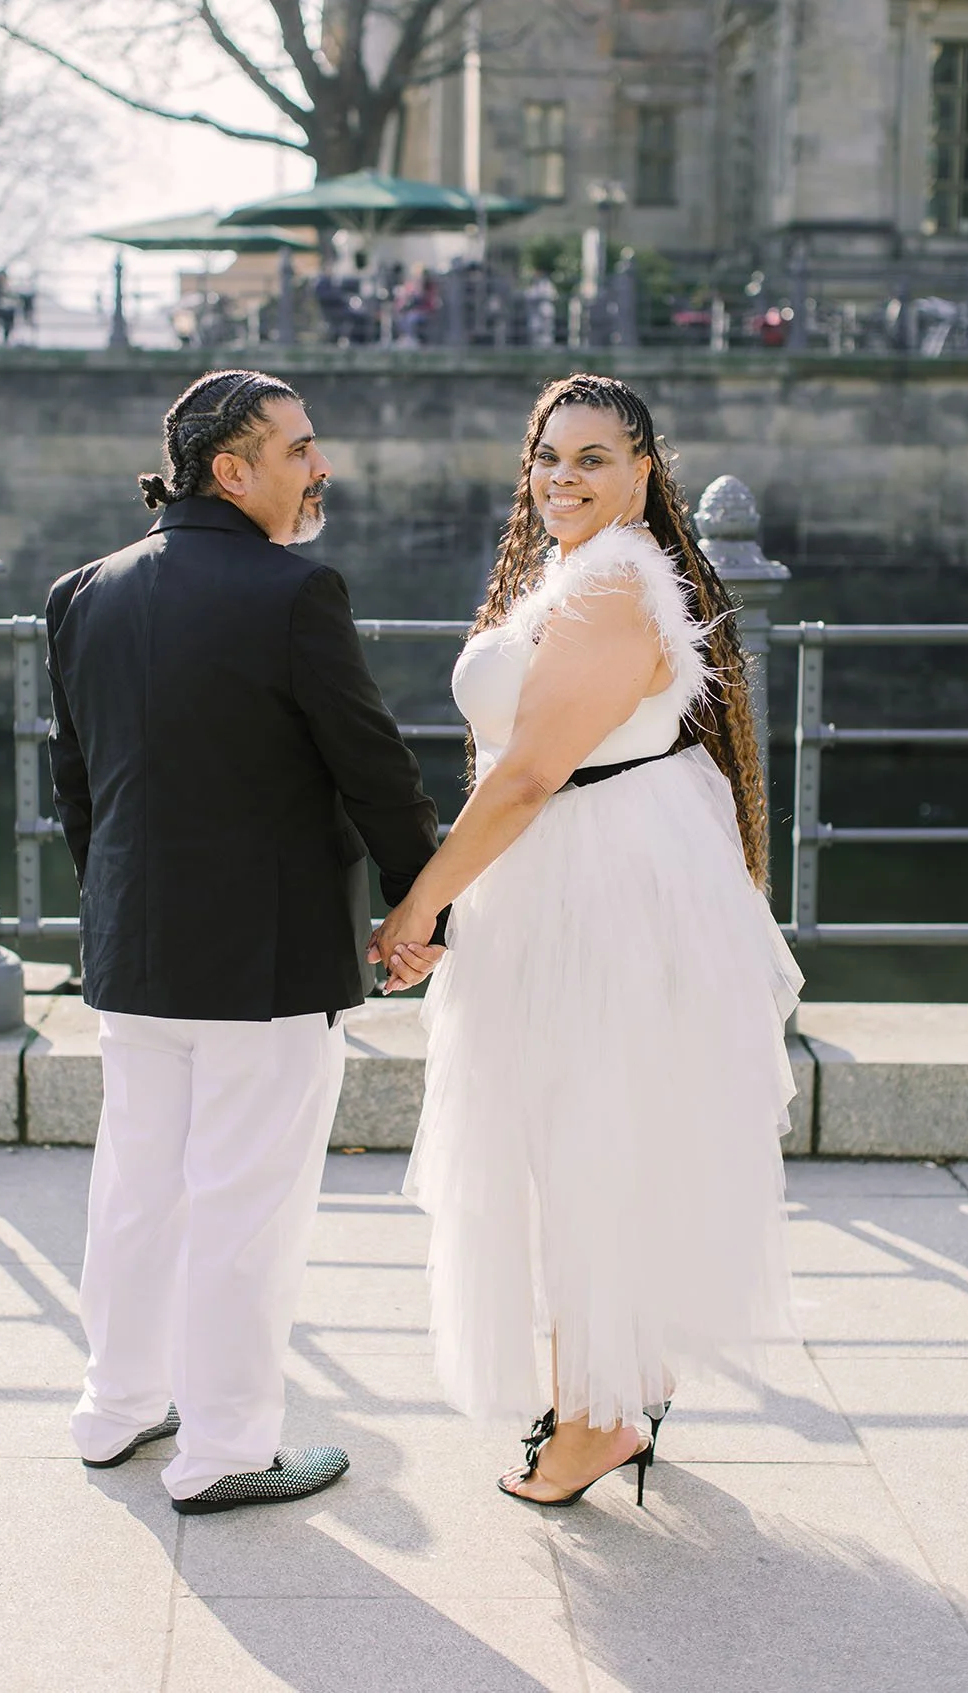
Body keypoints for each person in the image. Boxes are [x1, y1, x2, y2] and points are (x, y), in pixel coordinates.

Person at [371, 372, 802, 1507]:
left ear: (643, 472)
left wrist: (422, 905)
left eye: (593, 458)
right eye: (549, 456)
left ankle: (599, 1417)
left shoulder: (613, 584)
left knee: (579, 1149)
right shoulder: (583, 569)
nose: (563, 477)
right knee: (583, 1142)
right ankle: (619, 1383)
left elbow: (525, 775)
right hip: (574, 875)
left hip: (596, 890)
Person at [46, 368, 446, 1514]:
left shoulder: (82, 592)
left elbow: (77, 786)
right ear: (231, 469)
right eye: (300, 448)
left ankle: (116, 1406)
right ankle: (223, 1448)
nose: (322, 467)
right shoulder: (296, 591)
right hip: (266, 960)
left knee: (137, 1188)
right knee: (245, 1207)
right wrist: (423, 907)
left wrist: (119, 910)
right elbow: (372, 768)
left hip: (136, 946)